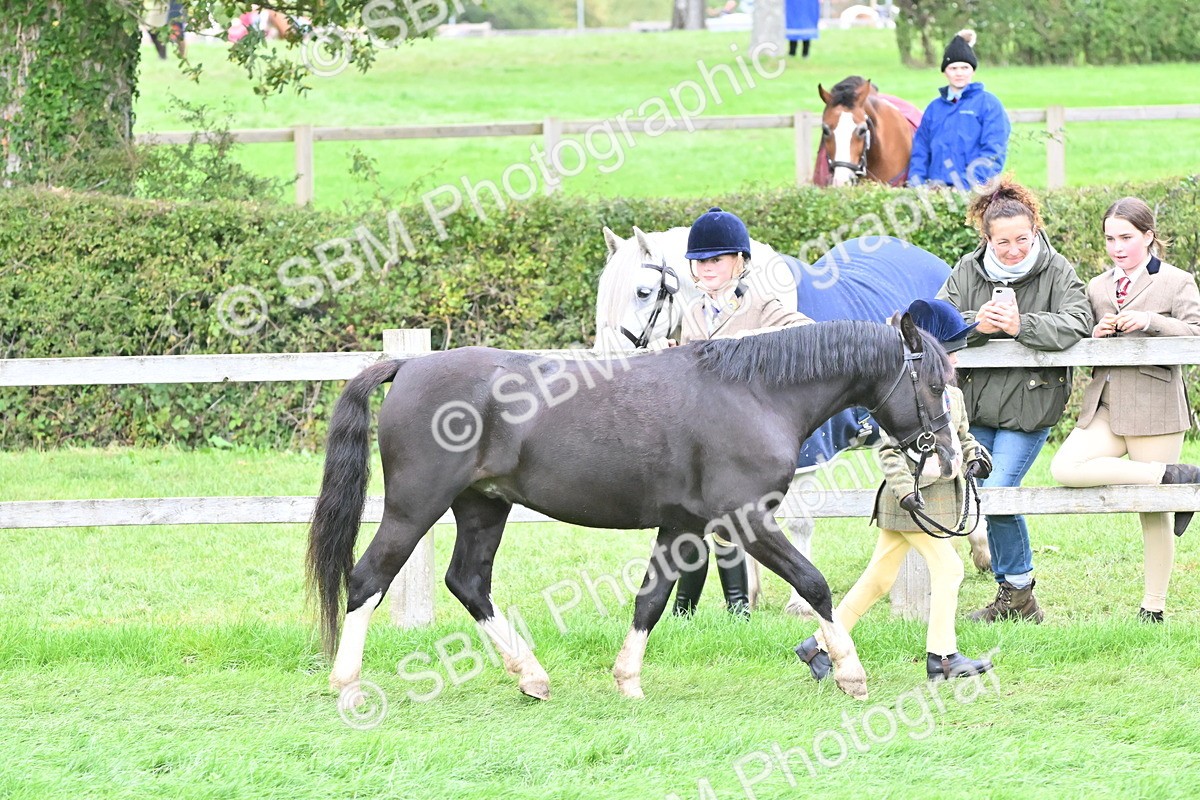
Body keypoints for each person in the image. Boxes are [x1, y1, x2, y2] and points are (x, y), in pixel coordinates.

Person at [795, 299, 994, 682]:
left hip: (937, 503)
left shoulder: (952, 396)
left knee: (878, 578)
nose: (956, 364)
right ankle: (943, 658)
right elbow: (889, 452)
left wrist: (976, 457)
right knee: (950, 568)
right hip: (909, 504)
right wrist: (907, 491)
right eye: (951, 355)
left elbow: (963, 436)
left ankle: (819, 644)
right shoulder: (906, 398)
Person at [937, 178, 1092, 622]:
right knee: (982, 491)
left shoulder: (1057, 268)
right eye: (1002, 242)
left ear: (1035, 230)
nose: (1013, 250)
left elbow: (1079, 320)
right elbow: (936, 319)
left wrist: (1022, 324)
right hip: (978, 404)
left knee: (1000, 490)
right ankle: (1012, 595)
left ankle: (1020, 594)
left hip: (1031, 405)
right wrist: (975, 326)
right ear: (986, 238)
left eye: (1022, 239)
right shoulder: (967, 269)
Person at [653, 207, 814, 617]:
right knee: (690, 520)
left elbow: (806, 332)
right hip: (700, 434)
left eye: (716, 260)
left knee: (732, 522)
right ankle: (684, 610)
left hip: (744, 434)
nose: (706, 268)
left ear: (739, 262)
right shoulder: (692, 314)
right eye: (700, 261)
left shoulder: (763, 306)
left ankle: (738, 609)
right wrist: (677, 356)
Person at [1050, 197, 1200, 622]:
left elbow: (1196, 331)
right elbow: (1083, 338)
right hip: (1107, 405)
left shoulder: (1177, 281)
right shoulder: (1096, 286)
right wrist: (1096, 334)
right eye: (1111, 238)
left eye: (1127, 238)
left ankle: (1153, 606)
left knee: (1151, 511)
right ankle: (1173, 477)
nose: (1117, 247)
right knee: (1065, 467)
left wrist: (1150, 322)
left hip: (1156, 405)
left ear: (1149, 237)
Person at [908, 29, 1011, 190]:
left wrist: (965, 184)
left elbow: (994, 151)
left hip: (973, 191)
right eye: (953, 68)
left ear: (973, 71)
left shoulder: (989, 104)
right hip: (934, 191)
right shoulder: (934, 109)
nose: (959, 73)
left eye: (965, 68)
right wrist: (917, 185)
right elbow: (921, 150)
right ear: (944, 72)